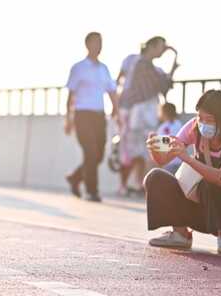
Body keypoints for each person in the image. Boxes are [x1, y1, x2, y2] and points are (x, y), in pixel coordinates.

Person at [145, 90, 221, 255]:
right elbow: (163, 160)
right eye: (200, 117)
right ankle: (180, 234)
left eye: (209, 119)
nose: (203, 123)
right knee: (155, 177)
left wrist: (188, 158)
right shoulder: (194, 127)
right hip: (198, 207)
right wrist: (155, 148)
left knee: (214, 179)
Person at [116, 36, 179, 196]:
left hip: (144, 112)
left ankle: (138, 185)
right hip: (139, 113)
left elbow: (163, 85)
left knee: (141, 152)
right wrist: (173, 59)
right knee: (135, 151)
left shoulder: (148, 66)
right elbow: (163, 85)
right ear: (152, 46)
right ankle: (128, 185)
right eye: (161, 47)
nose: (163, 51)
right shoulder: (142, 64)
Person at [65, 32, 118, 203]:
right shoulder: (78, 68)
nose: (99, 46)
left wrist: (116, 109)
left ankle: (75, 177)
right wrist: (68, 119)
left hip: (99, 115)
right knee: (90, 151)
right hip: (82, 114)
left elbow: (111, 90)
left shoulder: (104, 69)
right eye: (96, 43)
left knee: (99, 155)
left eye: (101, 43)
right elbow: (70, 95)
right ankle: (92, 191)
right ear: (87, 44)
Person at [156, 103, 183, 174]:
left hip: (168, 162)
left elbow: (163, 148)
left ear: (163, 113)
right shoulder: (179, 124)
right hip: (180, 160)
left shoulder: (162, 128)